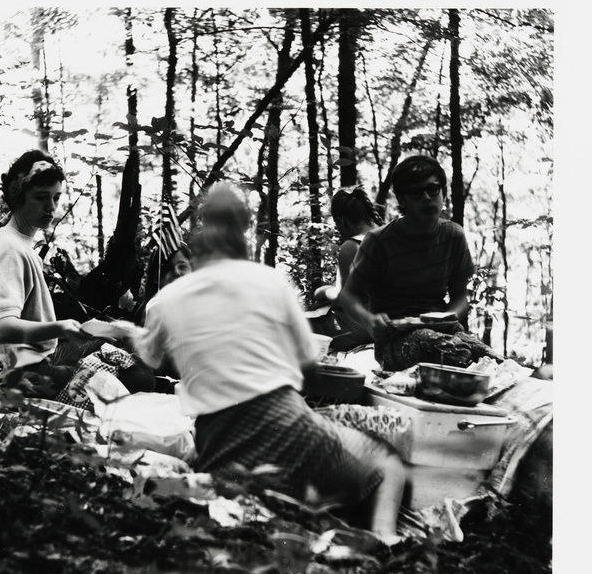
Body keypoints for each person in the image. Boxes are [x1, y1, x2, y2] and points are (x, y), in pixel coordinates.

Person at [116, 182, 408, 544]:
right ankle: (385, 537)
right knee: (388, 462)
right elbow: (309, 366)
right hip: (291, 430)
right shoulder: (270, 283)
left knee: (239, 484)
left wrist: (125, 331)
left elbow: (148, 360)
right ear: (244, 231)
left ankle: (261, 507)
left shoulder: (166, 300)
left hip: (219, 448)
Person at [0, 149, 154, 399]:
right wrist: (60, 328)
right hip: (23, 373)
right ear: (18, 197)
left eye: (56, 197)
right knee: (139, 376)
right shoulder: (8, 249)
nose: (51, 207)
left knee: (120, 347)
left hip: (34, 358)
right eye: (41, 197)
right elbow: (3, 327)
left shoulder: (16, 243)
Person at [338, 155, 500, 371]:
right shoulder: (378, 241)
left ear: (443, 192)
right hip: (394, 341)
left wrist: (447, 317)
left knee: (493, 360)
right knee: (455, 353)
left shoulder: (454, 235)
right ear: (402, 200)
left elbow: (461, 295)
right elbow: (348, 295)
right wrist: (369, 320)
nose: (427, 198)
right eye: (416, 192)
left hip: (444, 330)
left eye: (433, 189)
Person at [313, 187, 381, 351]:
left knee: (307, 324)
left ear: (342, 220)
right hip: (391, 319)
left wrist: (321, 291)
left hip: (368, 325)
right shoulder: (389, 234)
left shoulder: (352, 246)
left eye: (337, 224)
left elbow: (342, 297)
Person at [133, 241, 193, 327]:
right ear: (156, 278)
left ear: (192, 270)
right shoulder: (154, 309)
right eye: (168, 268)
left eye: (182, 266)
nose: (176, 272)